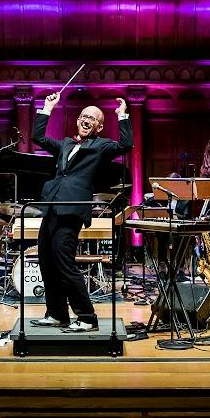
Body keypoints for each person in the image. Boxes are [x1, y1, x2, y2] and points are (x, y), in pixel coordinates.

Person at [29, 92, 132, 332]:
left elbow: (126, 145)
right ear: (77, 120)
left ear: (99, 126)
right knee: (47, 261)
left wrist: (122, 116)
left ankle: (87, 317)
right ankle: (57, 314)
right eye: (83, 116)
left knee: (64, 263)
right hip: (52, 207)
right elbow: (37, 137)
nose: (86, 120)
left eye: (92, 118)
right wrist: (47, 108)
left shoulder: (100, 146)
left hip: (72, 209)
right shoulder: (66, 143)